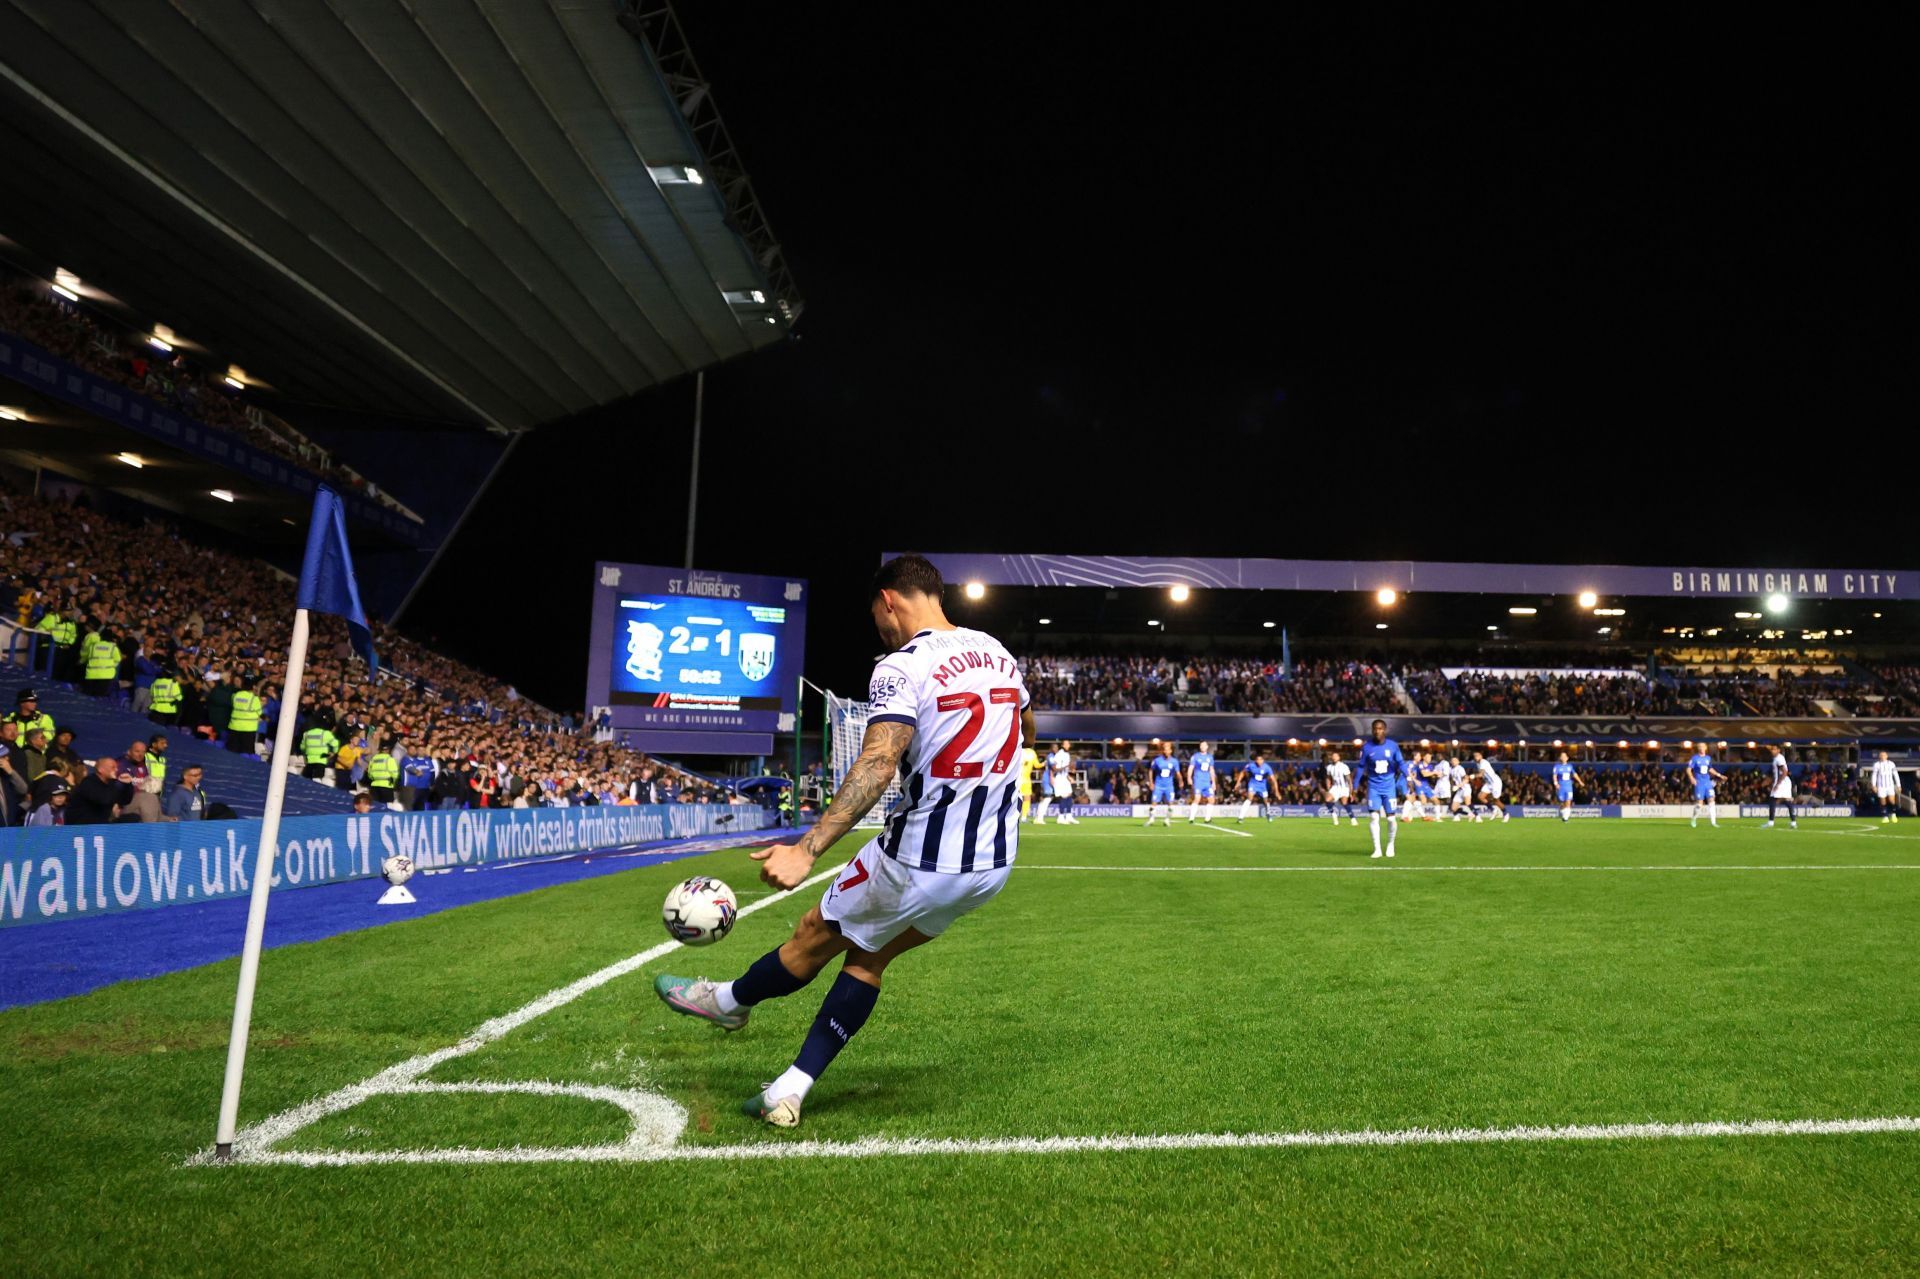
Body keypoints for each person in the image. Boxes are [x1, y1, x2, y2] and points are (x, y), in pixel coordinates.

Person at [654, 553, 1034, 1129]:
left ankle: (728, 1003)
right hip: (992, 863)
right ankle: (789, 1085)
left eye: (876, 616)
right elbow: (1029, 728)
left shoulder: (901, 666)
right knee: (871, 954)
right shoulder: (998, 653)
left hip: (921, 856)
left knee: (813, 933)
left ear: (889, 600)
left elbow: (879, 762)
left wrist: (806, 850)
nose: (878, 628)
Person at [1357, 719, 1405, 858]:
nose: (1377, 731)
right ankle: (1377, 849)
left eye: (1380, 728)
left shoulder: (1393, 746)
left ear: (1385, 730)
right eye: (1375, 728)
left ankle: (1390, 844)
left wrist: (1409, 777)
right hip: (1374, 787)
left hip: (1389, 787)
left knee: (1391, 819)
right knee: (1373, 817)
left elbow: (1401, 763)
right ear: (1372, 730)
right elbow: (1361, 767)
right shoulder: (1366, 747)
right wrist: (1354, 784)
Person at [68, 756, 134, 825]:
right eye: (113, 767)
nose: (116, 770)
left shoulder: (111, 783)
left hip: (101, 824)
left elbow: (125, 800)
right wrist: (117, 785)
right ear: (100, 769)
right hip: (81, 825)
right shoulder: (89, 782)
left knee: (133, 818)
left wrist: (127, 785)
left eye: (116, 767)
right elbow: (104, 799)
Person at [116, 738, 162, 822]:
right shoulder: (119, 764)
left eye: (143, 752)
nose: (140, 754)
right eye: (137, 751)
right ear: (129, 751)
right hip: (124, 804)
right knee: (148, 798)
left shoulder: (144, 766)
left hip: (140, 805)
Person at [1686, 745, 1726, 828]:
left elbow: (1710, 769)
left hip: (1707, 783)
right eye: (1700, 747)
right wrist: (1691, 778)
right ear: (1698, 749)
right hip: (1699, 783)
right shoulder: (1695, 758)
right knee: (1699, 805)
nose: (1701, 748)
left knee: (1712, 800)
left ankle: (1713, 822)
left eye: (1703, 747)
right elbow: (1688, 769)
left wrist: (1719, 775)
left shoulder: (1708, 758)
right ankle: (1693, 819)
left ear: (1705, 748)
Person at [1144, 741, 1180, 827]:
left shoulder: (1174, 761)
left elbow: (1178, 773)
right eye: (1165, 749)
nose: (1166, 751)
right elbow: (1151, 770)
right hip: (1158, 786)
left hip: (1169, 786)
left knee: (1171, 804)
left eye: (1168, 749)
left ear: (1171, 751)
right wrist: (1151, 783)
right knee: (1154, 803)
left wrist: (1181, 781)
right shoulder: (1157, 760)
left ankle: (1167, 820)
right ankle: (1151, 819)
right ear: (1163, 751)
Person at [1762, 746, 1797, 829]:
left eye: (1774, 749)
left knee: (1772, 800)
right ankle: (1793, 823)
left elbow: (1785, 772)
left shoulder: (1779, 758)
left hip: (1782, 782)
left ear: (1778, 750)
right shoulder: (1776, 758)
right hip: (1784, 782)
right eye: (1772, 749)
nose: (1772, 751)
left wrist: (1777, 784)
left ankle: (1771, 822)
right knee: (1786, 802)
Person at [227, 678, 264, 755]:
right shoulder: (254, 698)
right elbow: (259, 712)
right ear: (253, 687)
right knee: (247, 753)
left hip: (234, 726)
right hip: (248, 728)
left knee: (232, 751)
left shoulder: (235, 695)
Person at [83, 626, 122, 698]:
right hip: (106, 676)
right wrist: (110, 666)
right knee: (99, 700)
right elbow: (118, 660)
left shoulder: (93, 646)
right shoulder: (113, 648)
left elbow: (88, 657)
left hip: (91, 675)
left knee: (87, 698)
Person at [1237, 750, 1275, 822]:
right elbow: (1243, 772)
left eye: (1261, 760)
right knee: (1249, 798)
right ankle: (1240, 817)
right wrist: (1238, 782)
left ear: (1263, 760)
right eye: (1258, 759)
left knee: (1265, 801)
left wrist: (1276, 789)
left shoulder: (1267, 767)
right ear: (1256, 760)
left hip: (1262, 786)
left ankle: (1268, 814)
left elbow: (1273, 779)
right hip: (1253, 784)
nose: (1259, 761)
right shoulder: (1251, 766)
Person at [1186, 739, 1217, 823]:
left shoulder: (1210, 757)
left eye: (1204, 745)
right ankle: (1191, 818)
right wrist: (1189, 777)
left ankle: (1207, 819)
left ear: (1207, 747)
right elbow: (1191, 767)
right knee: (1197, 799)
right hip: (1198, 781)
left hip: (1207, 782)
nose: (1203, 747)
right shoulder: (1195, 756)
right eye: (1201, 745)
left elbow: (1211, 770)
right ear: (1200, 747)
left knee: (1211, 800)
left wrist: (1213, 782)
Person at [1472, 751, 1509, 823]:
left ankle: (1506, 814)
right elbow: (1483, 775)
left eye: (1477, 755)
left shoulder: (1483, 762)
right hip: (1488, 783)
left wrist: (1472, 776)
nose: (1475, 757)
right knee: (1480, 797)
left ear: (1481, 756)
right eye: (1474, 756)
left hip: (1495, 782)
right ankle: (1493, 810)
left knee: (1496, 800)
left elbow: (1481, 774)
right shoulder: (1477, 764)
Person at [301, 720, 341, 784]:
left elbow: (302, 747)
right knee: (317, 780)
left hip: (309, 759)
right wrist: (334, 752)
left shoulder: (307, 733)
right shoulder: (325, 733)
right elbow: (335, 743)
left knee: (306, 779)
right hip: (321, 758)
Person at [366, 740, 400, 808]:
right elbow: (395, 773)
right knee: (388, 807)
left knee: (375, 807)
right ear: (388, 750)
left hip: (374, 786)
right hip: (386, 786)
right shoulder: (389, 759)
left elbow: (369, 773)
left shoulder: (374, 759)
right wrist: (395, 781)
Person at [1324, 749, 1354, 827]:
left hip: (1344, 787)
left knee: (1344, 803)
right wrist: (1328, 788)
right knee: (1327, 800)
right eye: (1333, 756)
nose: (1334, 757)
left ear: (1339, 757)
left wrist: (1351, 792)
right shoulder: (1329, 767)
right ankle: (1334, 815)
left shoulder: (1344, 766)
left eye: (1335, 756)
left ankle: (1353, 819)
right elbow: (1328, 778)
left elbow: (1349, 780)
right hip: (1335, 787)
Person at [1870, 750, 1901, 824]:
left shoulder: (1891, 764)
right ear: (1879, 757)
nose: (1882, 756)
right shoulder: (1876, 765)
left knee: (1891, 800)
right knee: (1883, 801)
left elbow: (1895, 774)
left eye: (1884, 755)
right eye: (1881, 755)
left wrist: (1898, 785)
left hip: (1890, 785)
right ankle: (1885, 816)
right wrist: (1874, 785)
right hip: (1881, 786)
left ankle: (1893, 814)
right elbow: (1874, 775)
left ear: (1887, 756)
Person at [1553, 751, 1578, 822]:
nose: (1563, 758)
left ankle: (1565, 818)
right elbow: (1554, 775)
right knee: (1562, 802)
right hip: (1561, 786)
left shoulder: (1570, 766)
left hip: (1568, 786)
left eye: (1564, 756)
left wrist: (1580, 781)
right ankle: (1564, 815)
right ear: (1560, 758)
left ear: (1567, 758)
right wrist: (1556, 783)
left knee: (1568, 801)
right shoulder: (1557, 766)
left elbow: (1574, 774)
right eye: (1562, 756)